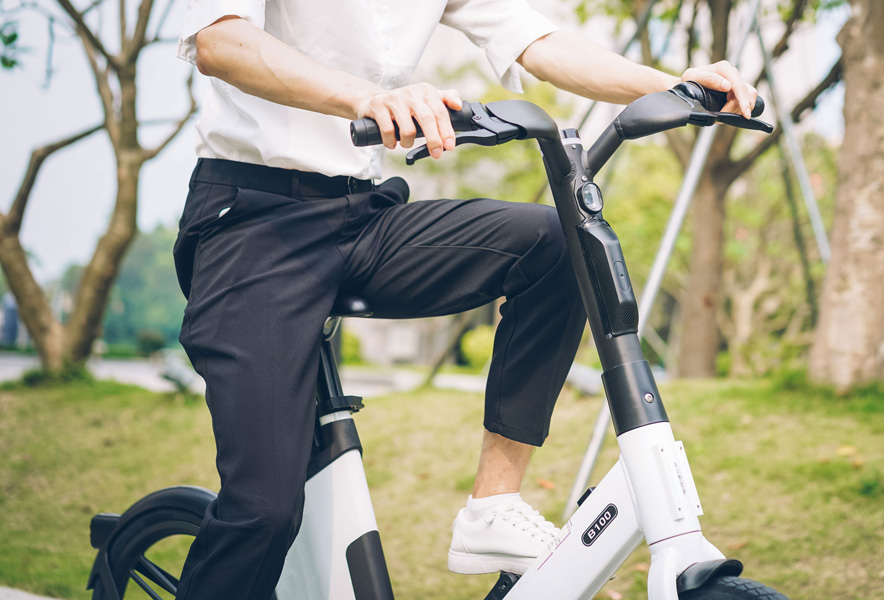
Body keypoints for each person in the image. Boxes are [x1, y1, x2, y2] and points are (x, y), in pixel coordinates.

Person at [172, 1, 757, 598]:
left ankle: (492, 506)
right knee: (265, 512)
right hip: (251, 221)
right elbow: (221, 42)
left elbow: (539, 40)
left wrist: (676, 86)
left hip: (362, 215)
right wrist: (363, 98)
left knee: (559, 244)